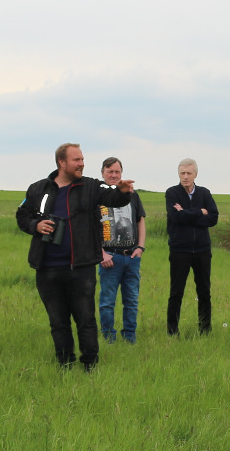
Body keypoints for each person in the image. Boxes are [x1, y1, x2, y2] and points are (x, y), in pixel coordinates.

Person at [16, 143, 135, 369]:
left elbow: (113, 199)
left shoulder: (90, 186)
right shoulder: (38, 188)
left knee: (85, 319)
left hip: (81, 268)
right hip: (47, 268)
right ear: (62, 163)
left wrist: (122, 192)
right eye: (76, 160)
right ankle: (65, 364)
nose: (81, 163)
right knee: (58, 321)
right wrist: (35, 225)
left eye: (82, 159)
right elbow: (22, 215)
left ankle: (90, 364)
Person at [165, 158, 219, 336]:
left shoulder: (204, 193)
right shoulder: (172, 193)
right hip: (180, 250)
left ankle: (205, 329)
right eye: (182, 173)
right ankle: (172, 331)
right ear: (178, 174)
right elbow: (175, 218)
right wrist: (199, 212)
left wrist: (186, 214)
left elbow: (213, 218)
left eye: (189, 173)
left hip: (202, 250)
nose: (185, 177)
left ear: (195, 174)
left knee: (204, 291)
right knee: (176, 292)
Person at [97, 156, 147, 344]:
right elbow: (89, 227)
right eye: (110, 171)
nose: (114, 175)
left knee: (132, 301)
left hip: (132, 256)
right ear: (102, 173)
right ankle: (109, 338)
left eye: (117, 172)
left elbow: (140, 221)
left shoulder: (132, 195)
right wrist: (101, 253)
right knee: (107, 302)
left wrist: (140, 247)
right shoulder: (98, 196)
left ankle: (129, 338)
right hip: (110, 257)